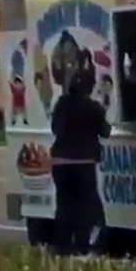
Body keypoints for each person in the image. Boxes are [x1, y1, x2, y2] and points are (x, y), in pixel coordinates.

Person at [50, 69, 111, 257]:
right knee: (86, 204)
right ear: (90, 88)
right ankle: (83, 245)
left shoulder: (61, 104)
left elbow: (54, 128)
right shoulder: (93, 108)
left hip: (60, 161)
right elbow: (105, 132)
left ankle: (62, 246)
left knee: (64, 203)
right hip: (83, 161)